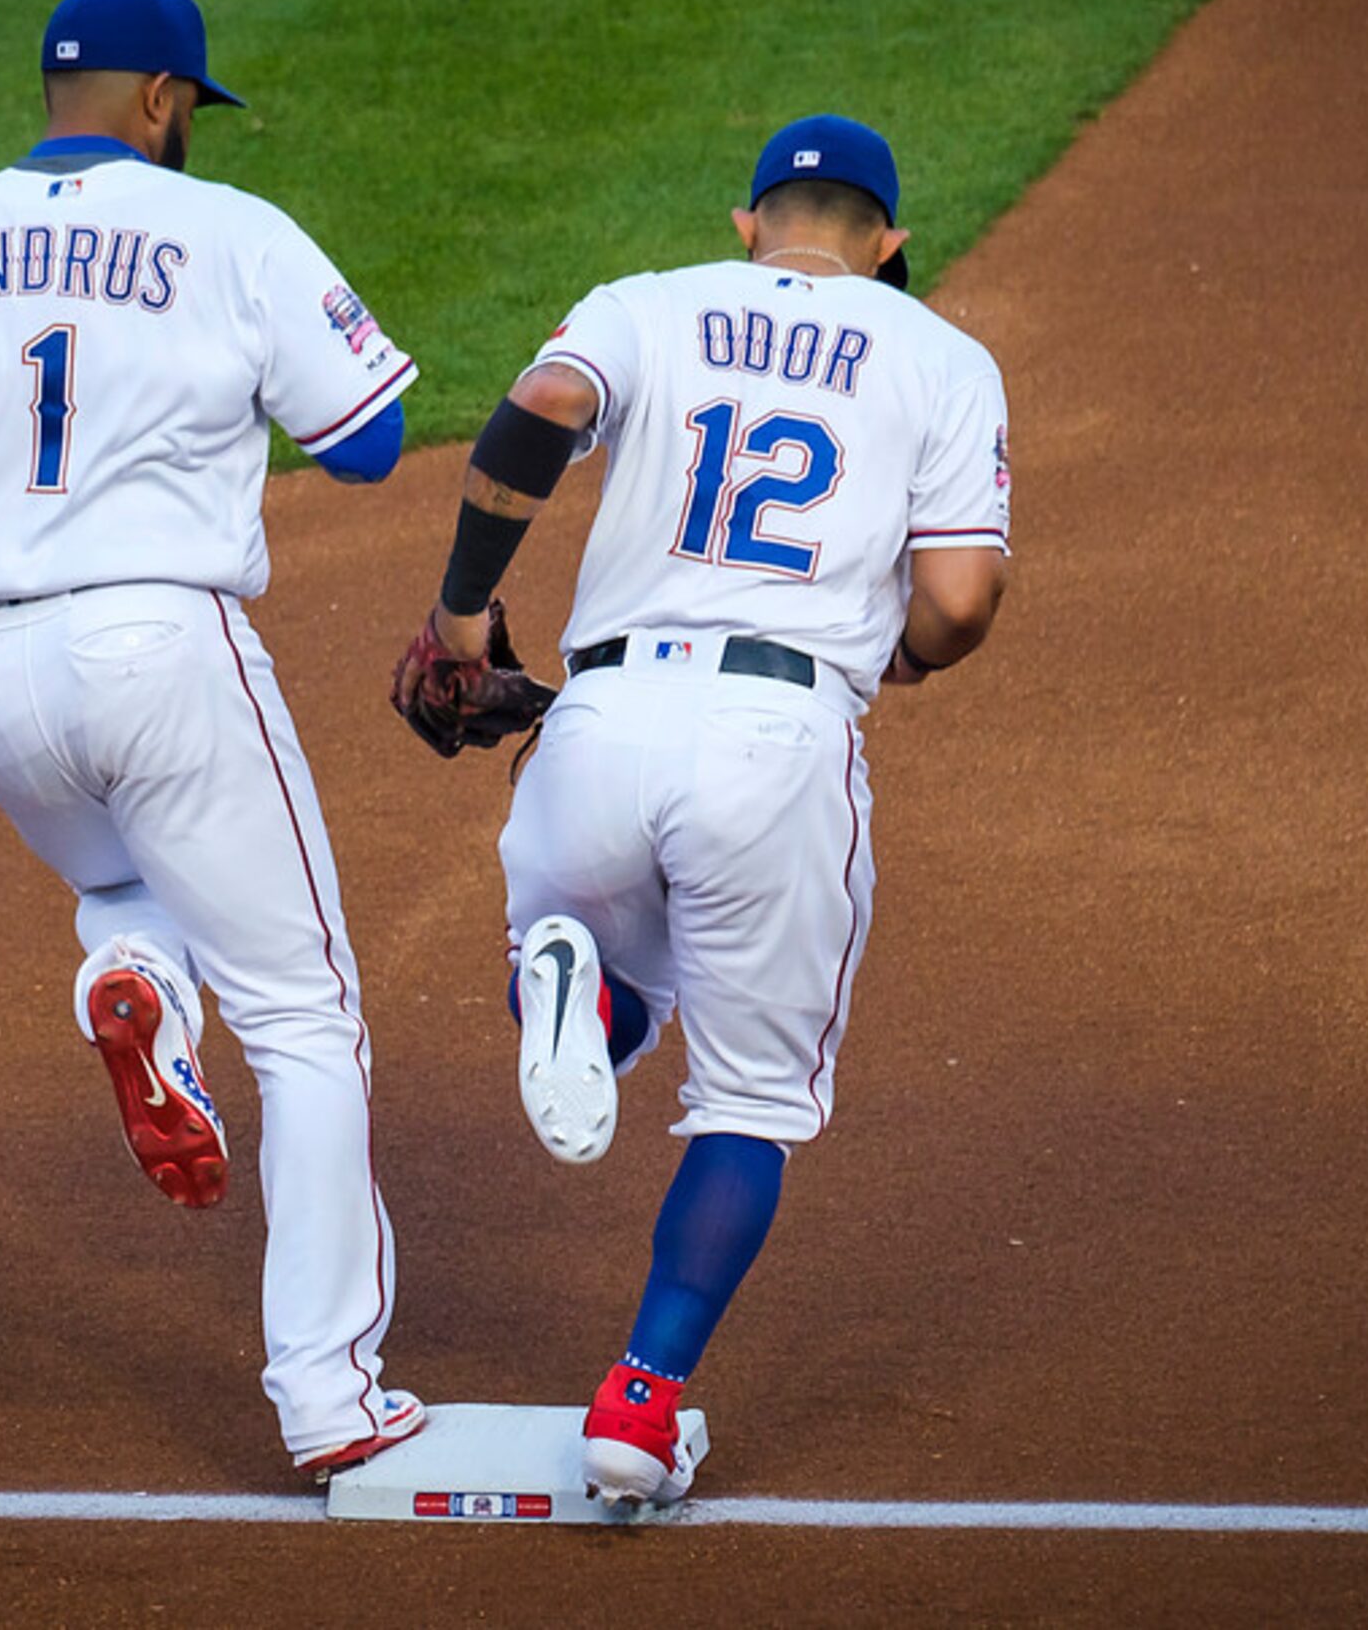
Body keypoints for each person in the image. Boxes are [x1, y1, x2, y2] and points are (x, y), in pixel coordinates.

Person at [0, 0, 423, 1478]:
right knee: (308, 1016)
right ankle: (329, 1392)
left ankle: (131, 979)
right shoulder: (229, 232)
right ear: (164, 101)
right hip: (156, 643)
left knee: (127, 876)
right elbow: (368, 442)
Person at [394, 115, 1010, 1504]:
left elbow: (541, 410)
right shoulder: (943, 358)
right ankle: (638, 1402)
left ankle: (574, 991)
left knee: (613, 966)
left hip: (600, 717)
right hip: (778, 741)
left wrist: (459, 612)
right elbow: (962, 599)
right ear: (889, 241)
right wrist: (897, 649)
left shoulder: (646, 305)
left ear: (750, 221)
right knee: (748, 1101)